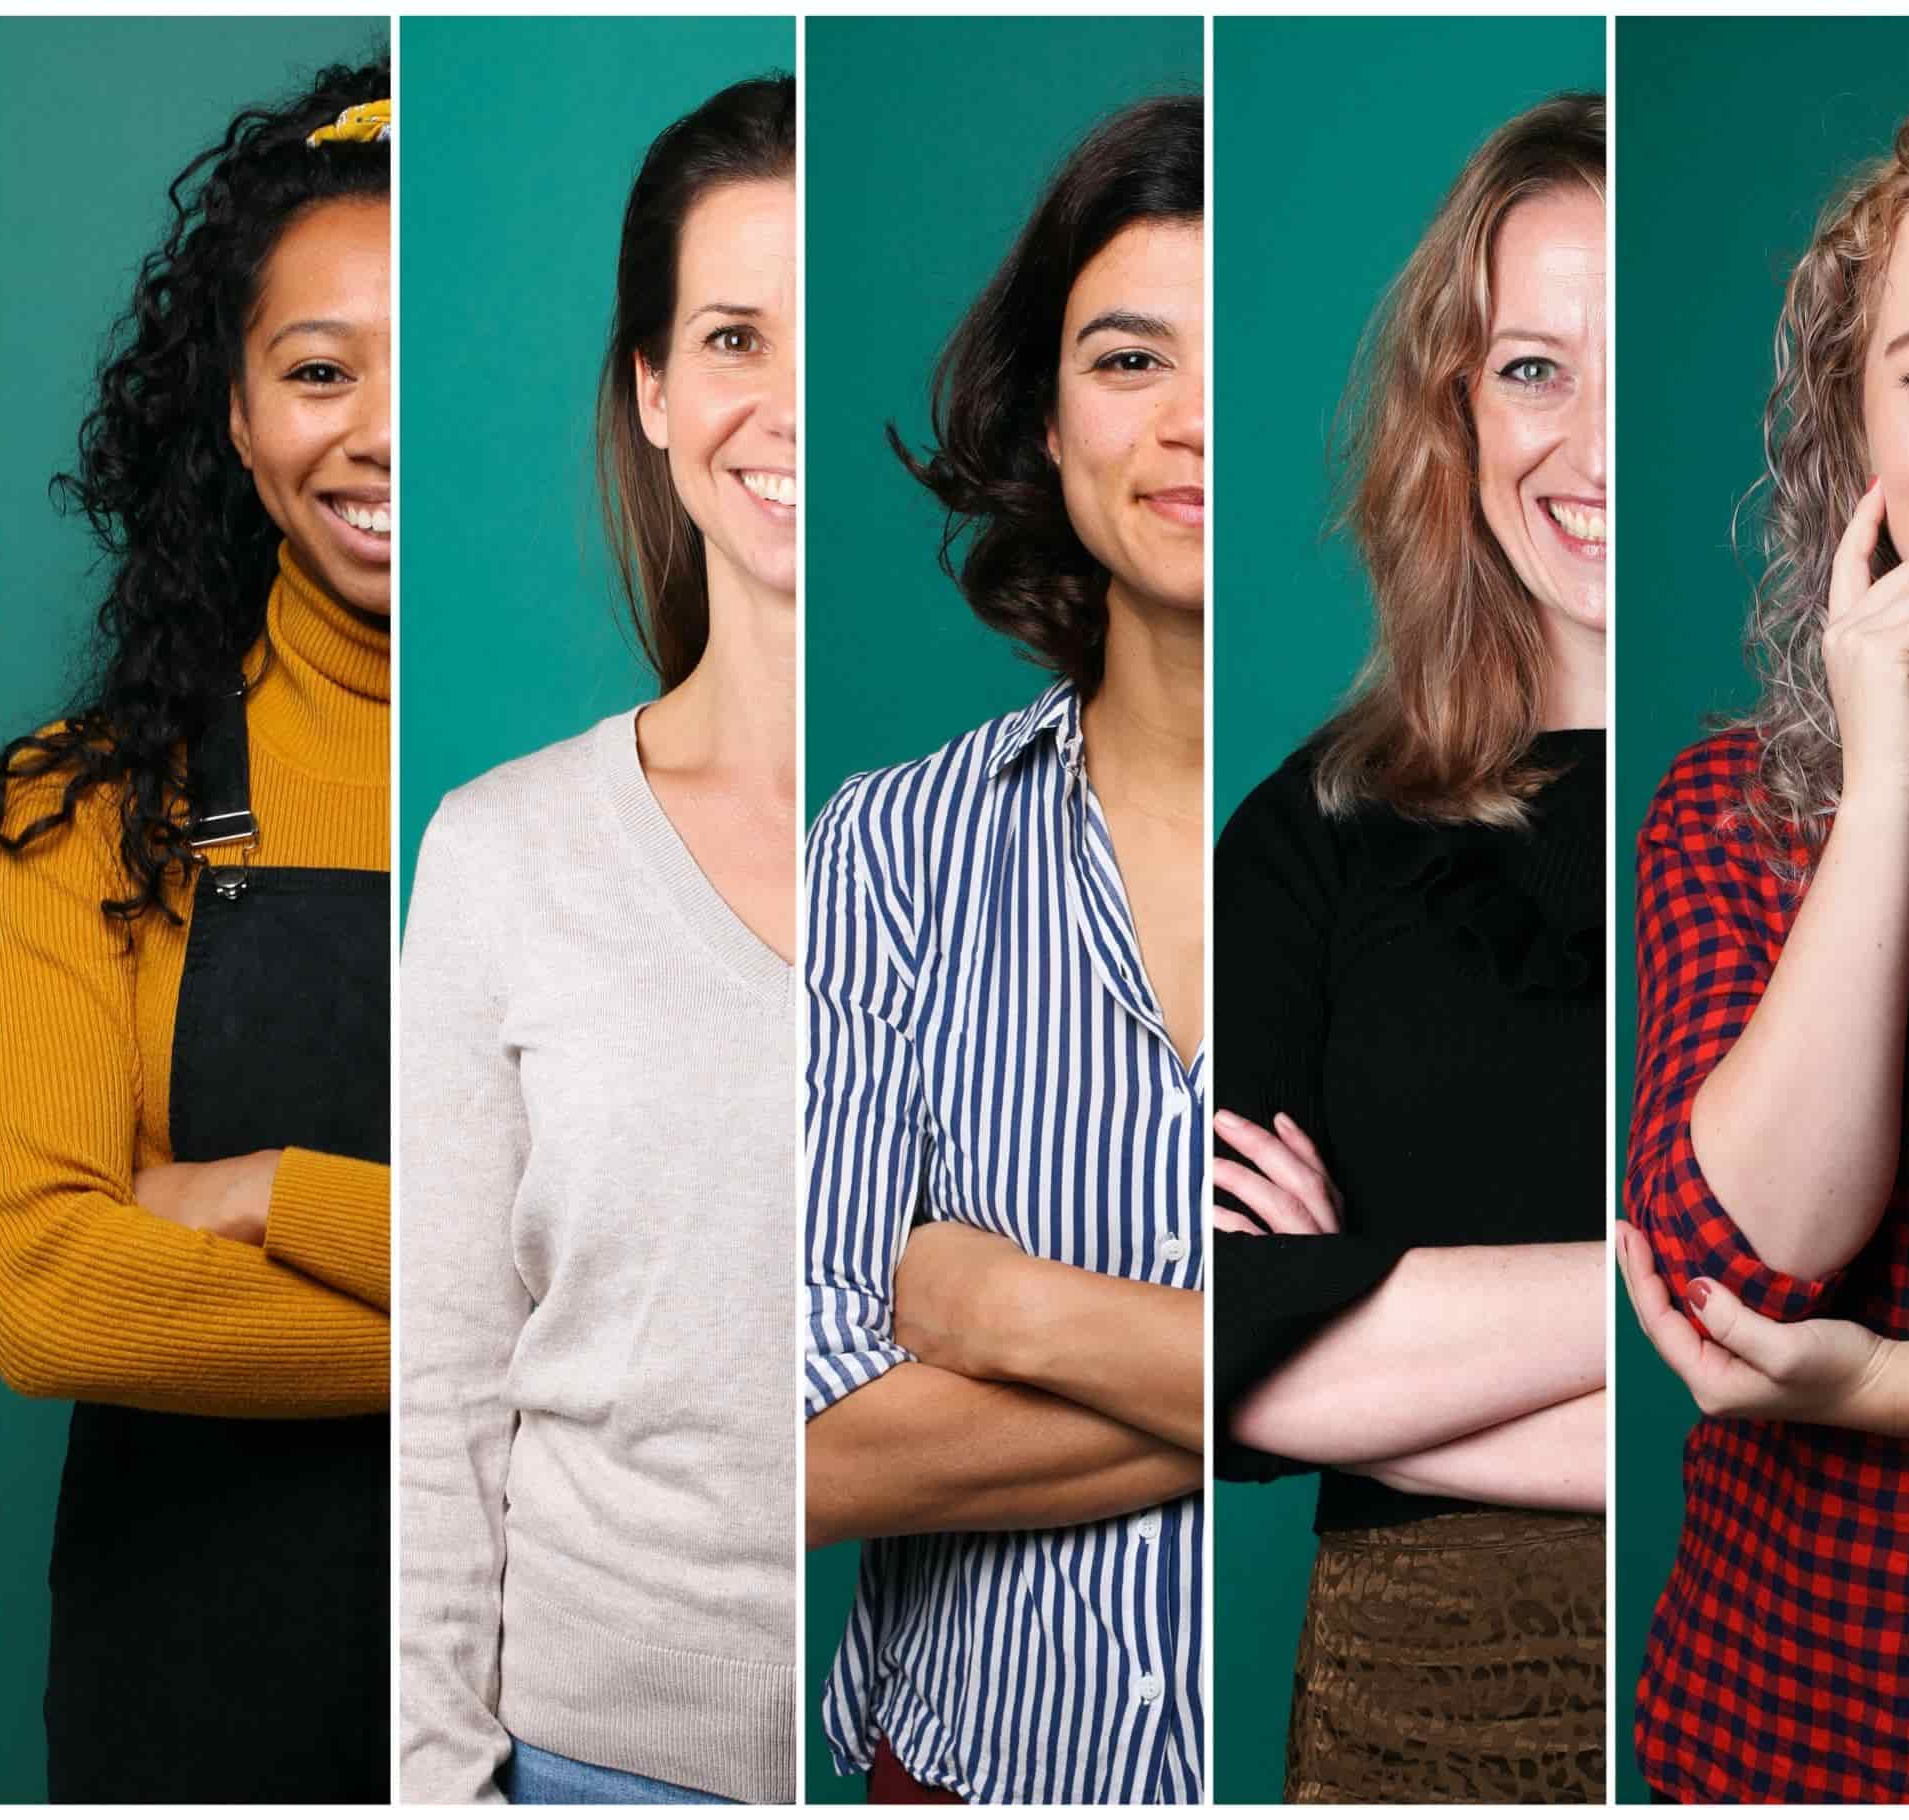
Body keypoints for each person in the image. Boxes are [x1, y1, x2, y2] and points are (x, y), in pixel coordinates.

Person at [397, 75, 797, 1808]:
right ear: (650, 389)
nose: (777, 401)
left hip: (977, 1741)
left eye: (819, 333)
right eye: (728, 336)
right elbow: (442, 1397)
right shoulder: (502, 856)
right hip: (594, 1765)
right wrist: (435, 1784)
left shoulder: (1022, 830)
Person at [0, 60, 392, 1804]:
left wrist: (266, 1197)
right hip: (189, 1702)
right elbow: (37, 1283)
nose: (381, 429)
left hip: (556, 1704)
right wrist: (536, 1346)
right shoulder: (75, 812)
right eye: (318, 373)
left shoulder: (640, 805)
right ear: (235, 420)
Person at [802, 93, 1205, 1805]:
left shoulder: (1447, 841)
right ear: (1044, 419)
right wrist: (1312, 1387)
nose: (1194, 422)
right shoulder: (893, 852)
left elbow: (1569, 1377)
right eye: (1128, 359)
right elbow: (800, 1445)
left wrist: (1005, 1307)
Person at [1211, 93, 1608, 1804]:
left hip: (1817, 1668)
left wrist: (1373, 1349)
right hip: (1410, 1711)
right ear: (1451, 412)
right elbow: (1224, 1341)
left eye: (1628, 360)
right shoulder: (1313, 829)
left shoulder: (1862, 810)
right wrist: (1697, 1303)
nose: (1585, 447)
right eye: (1530, 370)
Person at [1624, 82, 1909, 1805]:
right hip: (1775, 1750)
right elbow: (1743, 1263)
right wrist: (1881, 792)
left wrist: (1871, 1391)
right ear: (1854, 435)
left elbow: (1794, 1355)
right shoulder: (1730, 812)